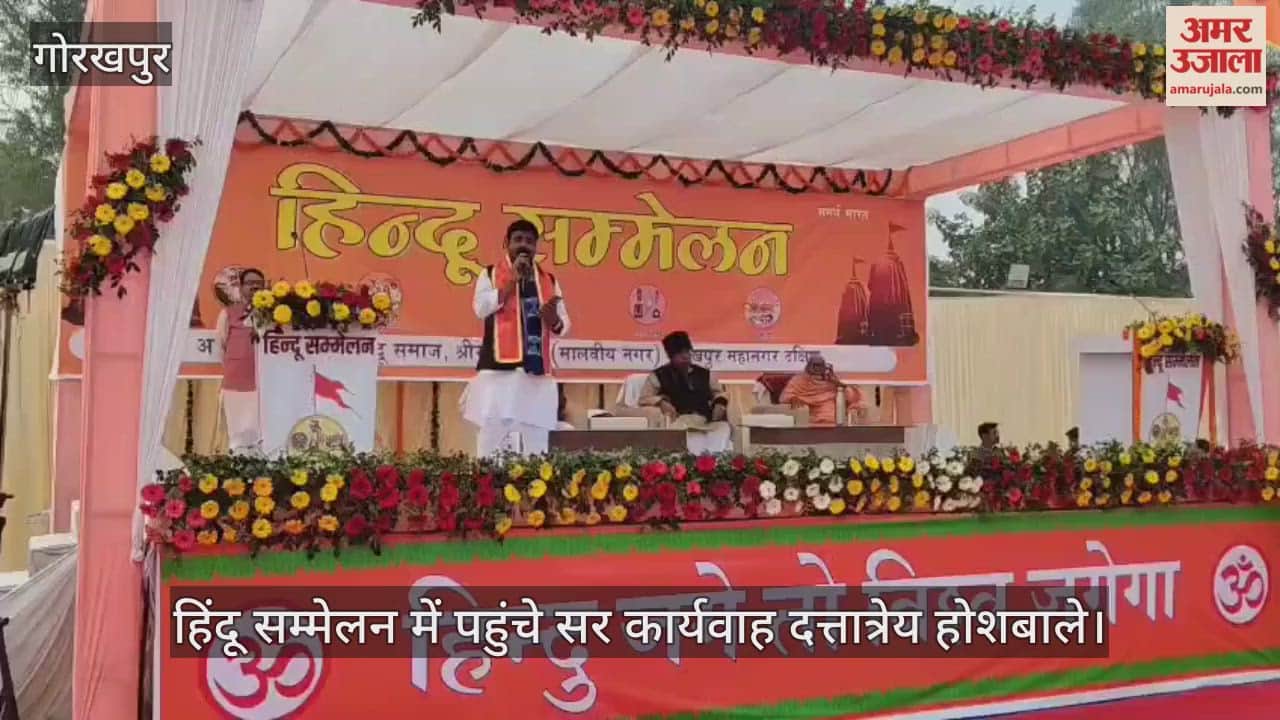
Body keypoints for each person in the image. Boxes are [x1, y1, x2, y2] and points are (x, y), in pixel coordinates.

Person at [463, 220, 570, 457]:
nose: (524, 245)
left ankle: (538, 488)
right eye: (518, 240)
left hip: (536, 372)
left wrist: (554, 320)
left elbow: (564, 324)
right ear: (507, 243)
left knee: (537, 437)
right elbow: (480, 308)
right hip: (498, 371)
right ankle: (486, 486)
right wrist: (511, 283)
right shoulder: (490, 273)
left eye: (530, 242)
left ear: (536, 247)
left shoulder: (549, 280)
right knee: (492, 435)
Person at [639, 331, 732, 454]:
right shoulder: (659, 375)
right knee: (690, 444)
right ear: (671, 356)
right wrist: (661, 402)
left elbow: (719, 392)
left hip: (706, 422)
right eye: (680, 354)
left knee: (723, 429)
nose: (685, 356)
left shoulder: (705, 373)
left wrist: (720, 402)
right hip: (679, 423)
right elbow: (644, 398)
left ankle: (713, 464)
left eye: (687, 352)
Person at [216, 268, 265, 452]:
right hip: (236, 385)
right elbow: (221, 345)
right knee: (237, 437)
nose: (254, 287)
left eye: (258, 284)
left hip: (264, 386)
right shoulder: (228, 313)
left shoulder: (276, 314)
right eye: (250, 283)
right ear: (241, 287)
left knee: (262, 437)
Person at [779, 354, 861, 426]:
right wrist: (793, 398)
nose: (817, 368)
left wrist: (838, 383)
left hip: (828, 416)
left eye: (820, 365)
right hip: (805, 414)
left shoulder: (832, 380)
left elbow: (853, 397)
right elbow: (784, 397)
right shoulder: (798, 380)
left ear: (824, 366)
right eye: (815, 365)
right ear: (808, 366)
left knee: (830, 413)